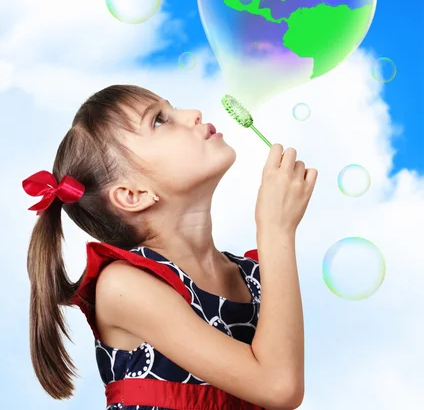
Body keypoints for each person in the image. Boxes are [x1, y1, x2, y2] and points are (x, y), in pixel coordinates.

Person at [23, 84, 318, 410]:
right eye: (160, 120)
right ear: (133, 195)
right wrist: (277, 231)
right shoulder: (124, 285)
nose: (193, 114)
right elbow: (280, 387)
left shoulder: (256, 276)